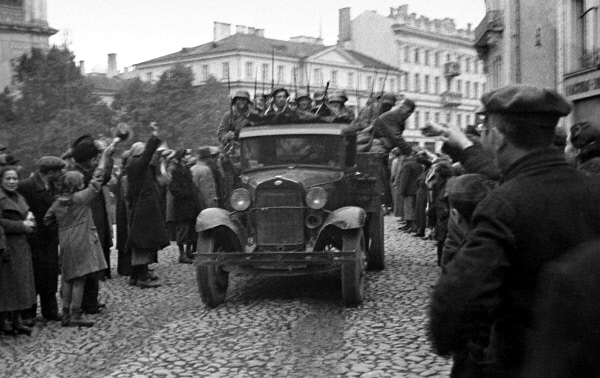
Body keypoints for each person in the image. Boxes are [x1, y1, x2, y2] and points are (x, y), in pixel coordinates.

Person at [429, 84, 600, 376]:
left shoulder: (503, 205)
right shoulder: (593, 188)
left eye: (485, 131)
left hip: (521, 361)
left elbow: (457, 303)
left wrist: (456, 341)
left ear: (496, 137)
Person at [44, 155, 112, 328]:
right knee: (80, 278)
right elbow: (97, 180)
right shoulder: (81, 198)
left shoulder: (57, 202)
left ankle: (65, 313)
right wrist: (104, 158)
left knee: (67, 278)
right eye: (81, 181)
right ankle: (75, 314)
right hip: (81, 240)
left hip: (65, 241)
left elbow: (47, 220)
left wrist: (62, 227)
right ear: (77, 185)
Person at [63, 135, 113, 314]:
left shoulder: (70, 172)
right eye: (95, 158)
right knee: (86, 270)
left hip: (70, 230)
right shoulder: (80, 177)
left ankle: (75, 307)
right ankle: (84, 305)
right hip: (83, 228)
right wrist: (107, 156)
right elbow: (101, 177)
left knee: (79, 272)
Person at [17, 156, 65, 323]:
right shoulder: (26, 186)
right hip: (33, 239)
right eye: (59, 171)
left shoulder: (53, 186)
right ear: (51, 172)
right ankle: (28, 313)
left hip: (50, 238)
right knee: (33, 276)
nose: (61, 174)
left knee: (50, 275)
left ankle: (50, 311)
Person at [126, 123, 170, 288]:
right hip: (144, 211)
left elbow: (151, 163)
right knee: (143, 244)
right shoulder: (136, 164)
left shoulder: (136, 166)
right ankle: (141, 278)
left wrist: (160, 156)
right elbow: (148, 156)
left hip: (143, 209)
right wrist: (154, 136)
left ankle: (135, 276)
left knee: (141, 243)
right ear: (138, 152)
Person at [0, 166, 36, 336]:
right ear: (1, 180)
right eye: (8, 178)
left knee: (20, 284)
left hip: (21, 245)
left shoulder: (19, 197)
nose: (12, 182)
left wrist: (30, 221)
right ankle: (4, 321)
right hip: (6, 245)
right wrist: (21, 226)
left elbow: (28, 214)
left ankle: (17, 320)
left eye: (15, 178)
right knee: (7, 285)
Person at [166, 148, 200, 264]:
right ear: (181, 156)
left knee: (190, 229)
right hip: (182, 204)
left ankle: (189, 252)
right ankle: (182, 255)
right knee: (183, 230)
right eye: (186, 155)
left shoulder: (185, 168)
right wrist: (186, 193)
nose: (188, 157)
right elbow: (173, 188)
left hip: (190, 204)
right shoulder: (175, 170)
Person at [397, 151, 423, 233]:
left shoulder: (407, 165)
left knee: (408, 207)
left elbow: (404, 179)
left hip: (409, 189)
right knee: (413, 207)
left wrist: (401, 190)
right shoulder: (419, 165)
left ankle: (411, 225)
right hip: (417, 188)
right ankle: (409, 224)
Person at [115, 151, 132, 277]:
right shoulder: (125, 176)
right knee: (125, 237)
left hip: (123, 209)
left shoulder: (123, 175)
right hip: (125, 211)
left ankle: (125, 267)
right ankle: (126, 268)